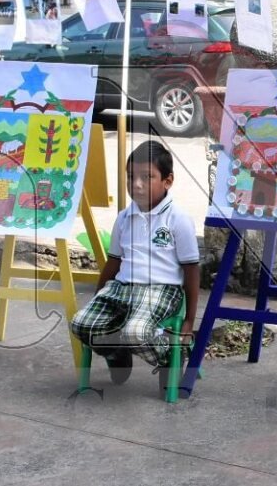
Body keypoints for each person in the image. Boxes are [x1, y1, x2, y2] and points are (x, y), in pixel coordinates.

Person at [71, 141, 200, 386]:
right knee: (81, 324)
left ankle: (169, 356)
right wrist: (99, 296)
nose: (136, 184)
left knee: (135, 333)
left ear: (167, 181)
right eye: (131, 177)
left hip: (161, 290)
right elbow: (114, 262)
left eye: (147, 177)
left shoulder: (178, 220)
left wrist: (189, 321)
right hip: (122, 288)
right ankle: (118, 354)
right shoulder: (124, 217)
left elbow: (191, 271)